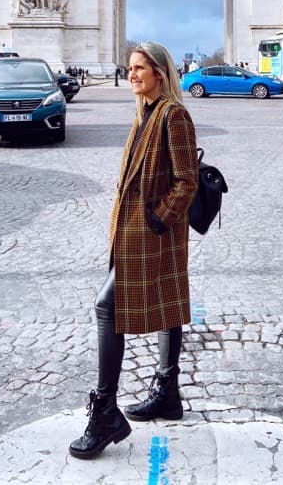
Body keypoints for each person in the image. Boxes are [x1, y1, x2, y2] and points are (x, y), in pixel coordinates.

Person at [69, 41, 199, 460]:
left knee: (107, 308)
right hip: (135, 232)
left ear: (160, 72)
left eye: (140, 68)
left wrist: (157, 219)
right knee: (168, 303)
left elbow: (187, 181)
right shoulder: (143, 113)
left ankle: (105, 409)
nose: (132, 75)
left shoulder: (173, 115)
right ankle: (168, 391)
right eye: (129, 68)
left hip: (151, 233)